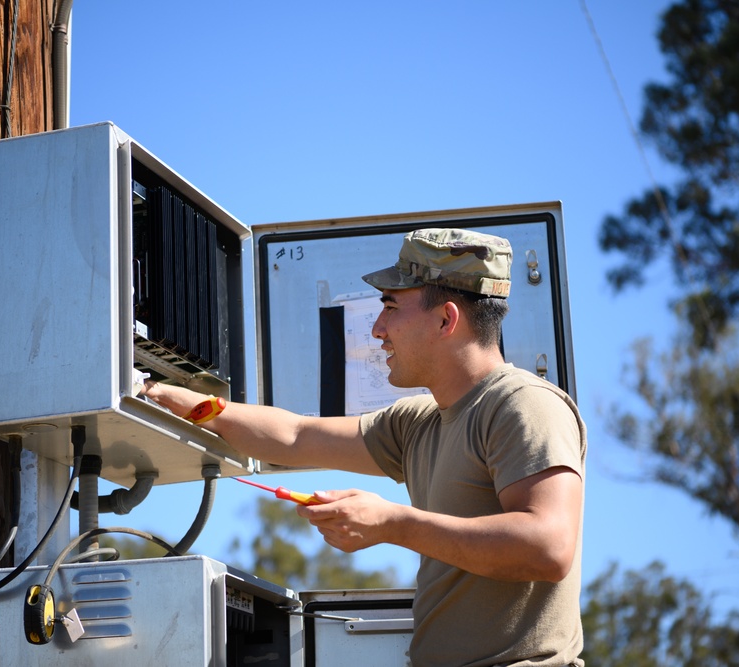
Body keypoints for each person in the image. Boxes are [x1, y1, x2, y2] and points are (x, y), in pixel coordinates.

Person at [143, 228, 587, 667]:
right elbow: (297, 436)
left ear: (446, 320)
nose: (377, 329)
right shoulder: (417, 421)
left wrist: (393, 523)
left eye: (390, 307)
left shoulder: (523, 405)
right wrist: (194, 404)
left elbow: (548, 547)